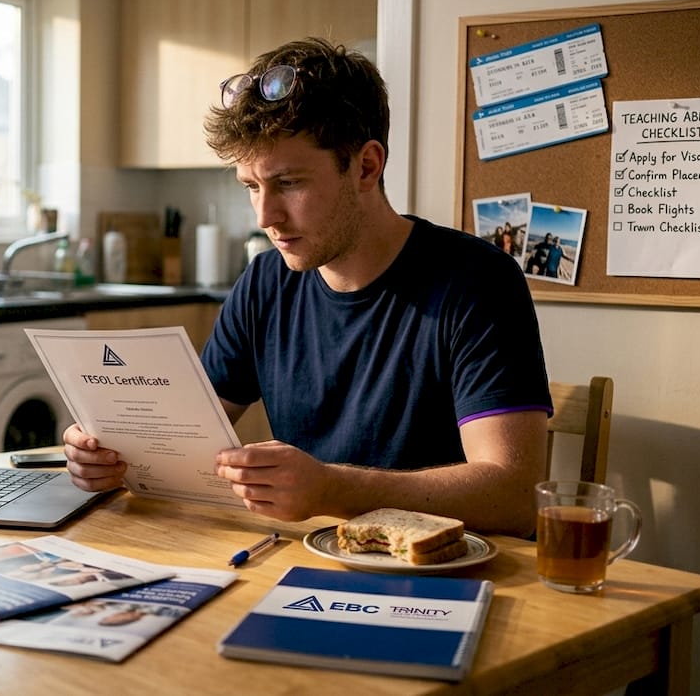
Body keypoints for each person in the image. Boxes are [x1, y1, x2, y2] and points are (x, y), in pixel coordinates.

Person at [62, 38, 551, 536]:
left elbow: (514, 495)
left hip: (439, 577)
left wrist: (333, 489)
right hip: (299, 559)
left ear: (366, 166)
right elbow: (179, 440)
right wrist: (112, 455)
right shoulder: (264, 282)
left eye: (289, 183)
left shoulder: (477, 282)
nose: (265, 217)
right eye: (252, 186)